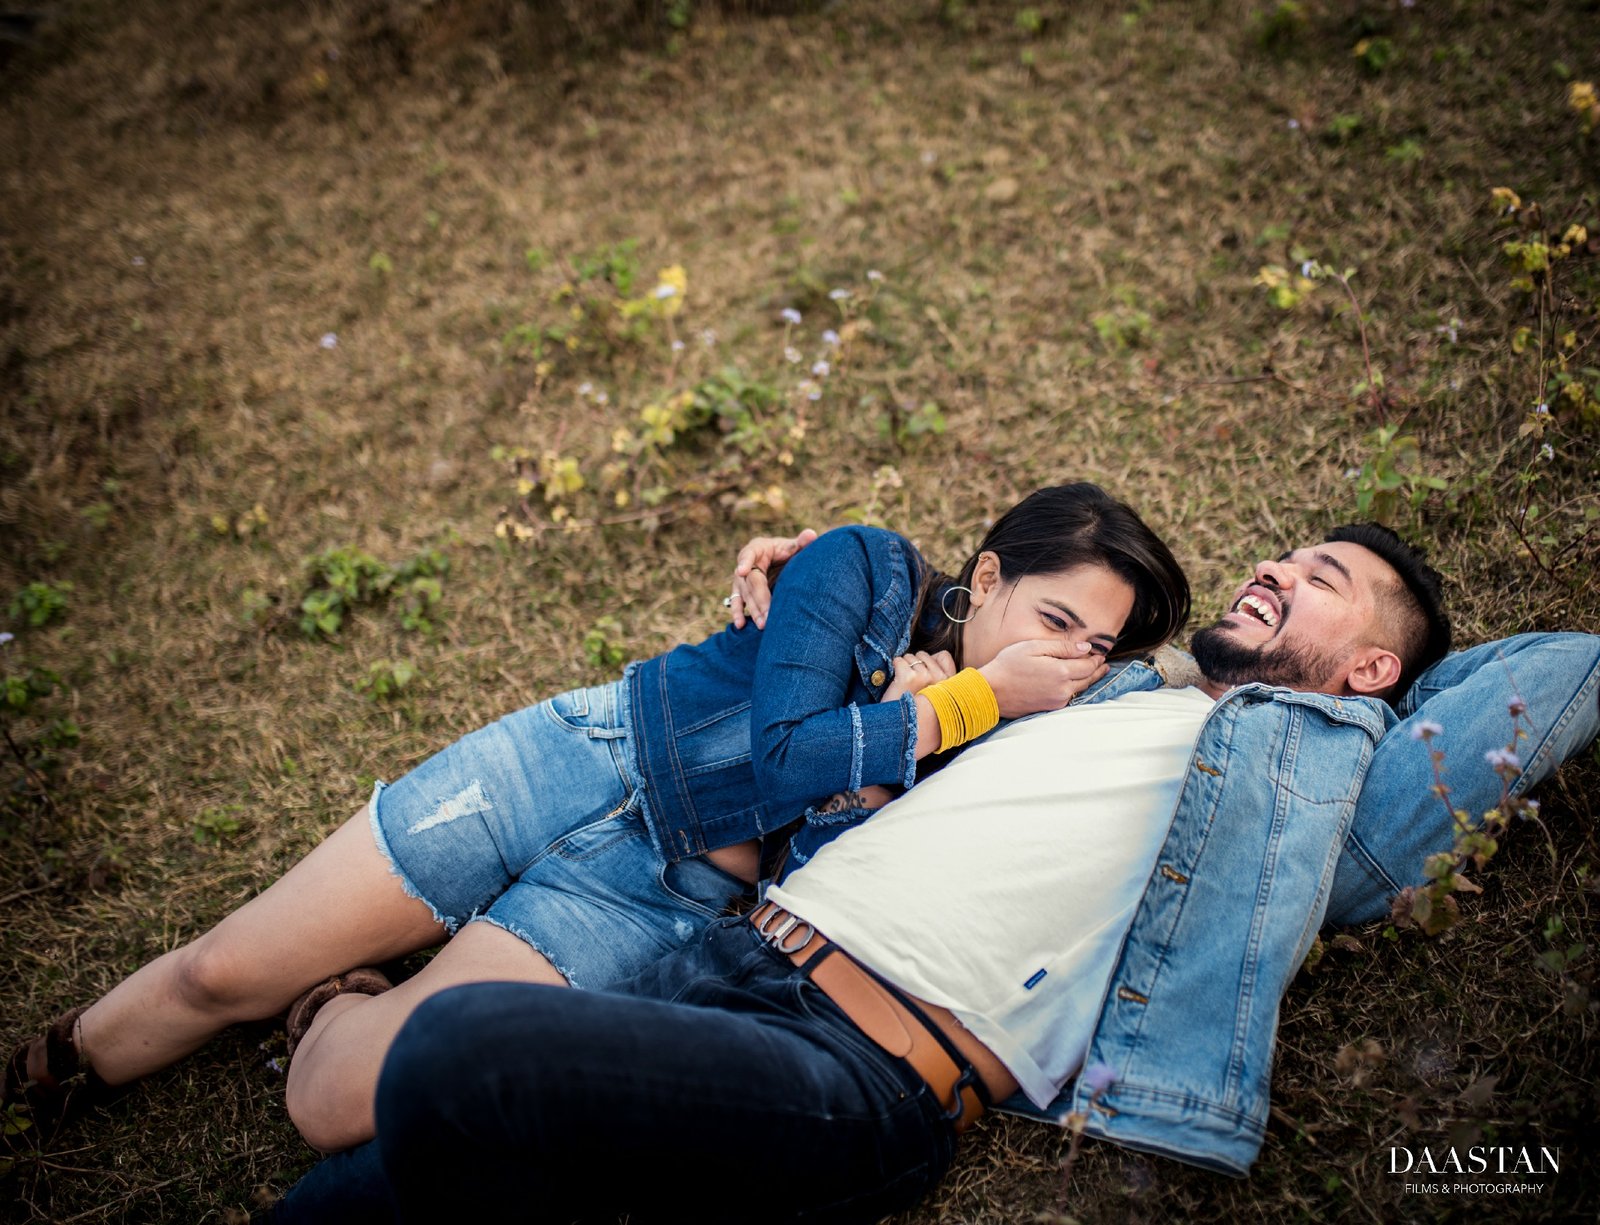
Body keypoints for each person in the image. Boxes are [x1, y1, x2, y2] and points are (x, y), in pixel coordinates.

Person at [264, 522, 1600, 1223]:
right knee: (354, 1190)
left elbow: (1551, 678)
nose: (1277, 569)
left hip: (860, 1074)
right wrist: (811, 576)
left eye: (1324, 582)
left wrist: (1392, 684)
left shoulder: (1313, 779)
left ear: (1375, 672)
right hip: (724, 968)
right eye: (1288, 554)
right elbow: (980, 604)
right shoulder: (1111, 692)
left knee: (459, 1056)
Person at [4, 483, 1192, 1154]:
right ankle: (52, 1069)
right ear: (984, 578)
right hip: (582, 761)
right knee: (218, 972)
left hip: (660, 893)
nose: (1067, 664)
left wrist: (929, 740)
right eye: (1053, 621)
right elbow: (768, 757)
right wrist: (954, 705)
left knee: (336, 1107)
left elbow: (795, 841)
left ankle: (343, 996)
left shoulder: (1014, 752)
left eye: (1094, 649)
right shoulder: (865, 567)